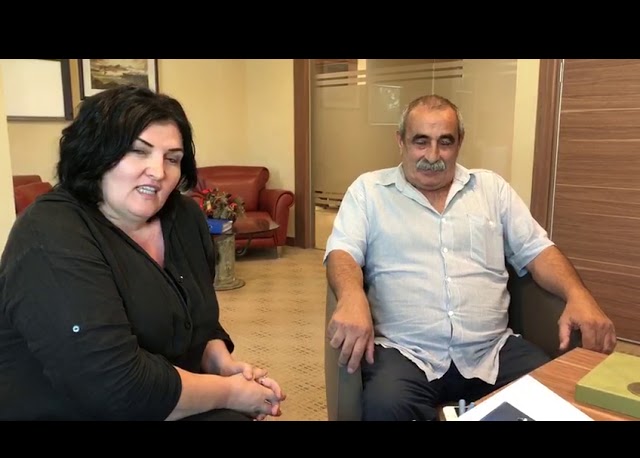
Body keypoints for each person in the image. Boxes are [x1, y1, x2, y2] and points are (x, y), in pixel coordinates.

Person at [0, 85, 286, 421]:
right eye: (138, 151)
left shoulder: (184, 217)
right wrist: (231, 392)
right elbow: (113, 386)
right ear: (95, 153)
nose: (159, 172)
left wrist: (222, 364)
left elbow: (198, 321)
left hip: (167, 396)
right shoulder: (49, 233)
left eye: (172, 158)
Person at [324, 94, 616, 421]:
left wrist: (579, 293)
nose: (432, 156)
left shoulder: (491, 189)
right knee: (385, 405)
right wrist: (350, 295)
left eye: (445, 142)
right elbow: (343, 251)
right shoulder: (369, 191)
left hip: (491, 350)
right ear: (400, 141)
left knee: (552, 395)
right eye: (421, 141)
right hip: (406, 352)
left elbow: (537, 250)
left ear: (459, 142)